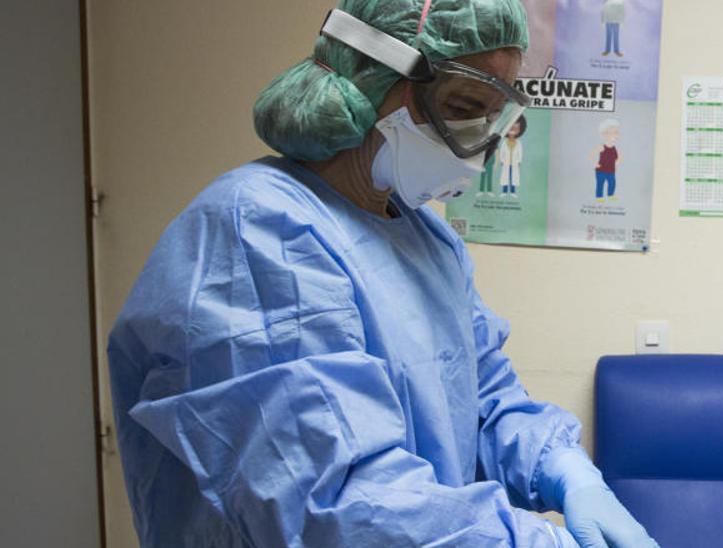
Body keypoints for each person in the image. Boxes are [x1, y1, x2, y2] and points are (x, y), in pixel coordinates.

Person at [107, 1, 657, 547]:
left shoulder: (427, 239)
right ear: (370, 79)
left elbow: (485, 401)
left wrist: (563, 467)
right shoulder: (257, 230)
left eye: (495, 114)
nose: (481, 141)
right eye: (465, 104)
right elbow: (337, 506)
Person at [592, 118, 622, 202]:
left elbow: (617, 158)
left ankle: (610, 195)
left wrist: (617, 163)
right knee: (600, 184)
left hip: (611, 171)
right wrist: (595, 163)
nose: (616, 135)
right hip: (601, 170)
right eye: (613, 133)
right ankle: (599, 197)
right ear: (604, 134)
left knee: (612, 183)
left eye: (616, 133)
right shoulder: (601, 146)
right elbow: (592, 154)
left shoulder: (614, 148)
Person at [498, 115, 526, 197]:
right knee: (505, 177)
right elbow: (502, 152)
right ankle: (504, 191)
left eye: (516, 129)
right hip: (506, 163)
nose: (512, 131)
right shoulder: (504, 142)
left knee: (513, 178)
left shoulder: (518, 143)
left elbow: (520, 153)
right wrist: (502, 160)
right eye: (510, 128)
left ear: (520, 130)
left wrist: (519, 161)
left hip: (515, 163)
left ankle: (513, 192)